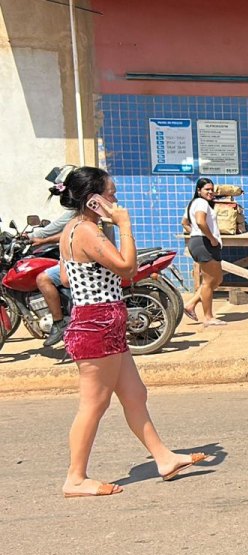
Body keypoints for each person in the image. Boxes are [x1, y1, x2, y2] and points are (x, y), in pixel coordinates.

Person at [55, 167, 209, 497]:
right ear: (93, 200)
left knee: (134, 394)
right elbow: (128, 267)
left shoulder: (75, 229)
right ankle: (75, 478)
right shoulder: (86, 231)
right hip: (96, 325)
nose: (116, 199)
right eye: (110, 193)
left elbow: (67, 279)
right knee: (93, 404)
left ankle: (164, 458)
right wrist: (124, 225)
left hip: (102, 322)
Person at [28, 208, 76, 347]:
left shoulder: (79, 210)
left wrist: (34, 238)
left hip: (82, 261)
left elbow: (50, 230)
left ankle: (59, 322)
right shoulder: (87, 208)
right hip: (85, 257)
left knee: (43, 279)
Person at [182, 178, 226, 327]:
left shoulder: (194, 203)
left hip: (200, 241)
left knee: (217, 279)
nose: (210, 192)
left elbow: (185, 222)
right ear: (199, 190)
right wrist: (210, 238)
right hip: (204, 243)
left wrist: (194, 233)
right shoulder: (200, 203)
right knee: (208, 282)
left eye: (211, 189)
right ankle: (208, 317)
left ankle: (191, 304)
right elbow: (201, 222)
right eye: (207, 189)